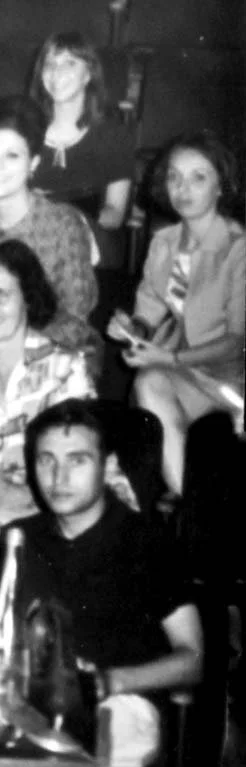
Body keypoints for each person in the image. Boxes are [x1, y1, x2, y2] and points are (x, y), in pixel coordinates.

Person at [0, 400, 203, 767]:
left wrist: (107, 681)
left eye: (77, 460)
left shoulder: (147, 543)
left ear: (108, 465)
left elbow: (193, 659)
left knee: (59, 758)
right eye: (46, 460)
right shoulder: (18, 539)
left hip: (117, 706)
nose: (58, 476)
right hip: (17, 703)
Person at [116, 132, 245, 496]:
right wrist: (132, 329)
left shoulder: (239, 249)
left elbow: (237, 342)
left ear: (222, 185)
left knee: (153, 379)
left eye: (198, 178)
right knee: (147, 382)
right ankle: (188, 508)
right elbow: (150, 310)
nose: (182, 189)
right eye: (174, 177)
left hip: (232, 379)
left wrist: (168, 356)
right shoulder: (164, 241)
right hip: (186, 374)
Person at [0, 100, 101, 374]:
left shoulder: (63, 223)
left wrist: (17, 348)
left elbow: (76, 316)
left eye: (12, 156)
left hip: (56, 350)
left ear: (33, 163)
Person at [0, 240, 93, 532]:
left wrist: (20, 499)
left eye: (2, 294)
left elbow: (76, 467)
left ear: (28, 299)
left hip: (53, 509)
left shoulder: (64, 368)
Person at [27, 33, 136, 254]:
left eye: (70, 63)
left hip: (86, 239)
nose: (57, 73)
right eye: (50, 64)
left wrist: (64, 219)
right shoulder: (24, 128)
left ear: (88, 75)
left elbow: (114, 214)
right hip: (27, 237)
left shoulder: (114, 135)